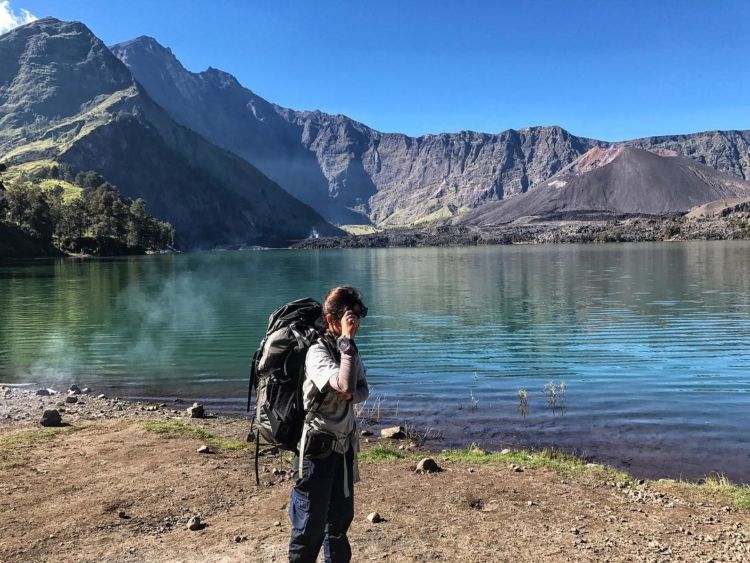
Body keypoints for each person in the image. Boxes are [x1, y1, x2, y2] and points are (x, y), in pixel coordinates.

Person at [288, 286, 370, 563]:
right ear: (332, 318)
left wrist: (350, 390)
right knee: (309, 526)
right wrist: (347, 342)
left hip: (344, 448)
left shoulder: (347, 351)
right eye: (351, 316)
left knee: (338, 524)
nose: (356, 323)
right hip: (317, 451)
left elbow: (361, 390)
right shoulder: (317, 353)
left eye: (358, 316)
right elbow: (346, 384)